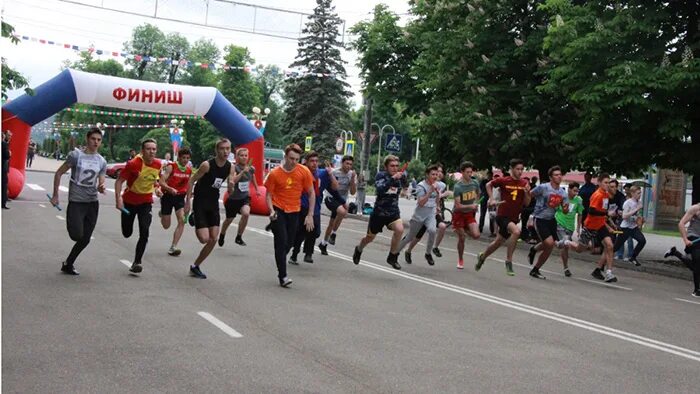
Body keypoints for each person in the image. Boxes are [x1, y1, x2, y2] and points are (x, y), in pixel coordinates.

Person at [50, 128, 107, 275]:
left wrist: (101, 187)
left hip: (92, 202)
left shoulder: (101, 161)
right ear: (87, 139)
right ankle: (72, 222)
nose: (96, 142)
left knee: (85, 239)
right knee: (76, 235)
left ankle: (68, 263)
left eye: (99, 140)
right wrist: (55, 195)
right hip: (76, 200)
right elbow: (59, 173)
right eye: (93, 139)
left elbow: (101, 180)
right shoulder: (76, 156)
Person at [264, 144, 314, 287]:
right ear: (285, 157)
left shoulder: (303, 172)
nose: (293, 162)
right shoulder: (275, 174)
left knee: (289, 243)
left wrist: (310, 214)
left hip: (294, 211)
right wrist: (271, 211)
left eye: (297, 159)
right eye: (291, 158)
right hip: (278, 210)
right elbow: (268, 195)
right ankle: (283, 276)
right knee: (281, 242)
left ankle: (280, 258)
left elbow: (311, 193)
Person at [184, 139, 234, 279]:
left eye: (228, 149)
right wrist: (188, 201)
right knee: (204, 239)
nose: (225, 152)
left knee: (213, 239)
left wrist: (231, 186)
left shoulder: (230, 166)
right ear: (216, 150)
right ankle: (195, 218)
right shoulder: (207, 165)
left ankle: (195, 266)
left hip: (213, 204)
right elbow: (191, 180)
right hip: (200, 202)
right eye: (222, 149)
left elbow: (231, 182)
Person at [475, 158, 530, 276]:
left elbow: (527, 203)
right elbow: (488, 185)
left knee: (498, 242)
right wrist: (491, 198)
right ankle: (509, 261)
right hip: (502, 216)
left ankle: (482, 256)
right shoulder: (504, 180)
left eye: (522, 169)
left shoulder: (524, 184)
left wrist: (526, 193)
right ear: (511, 169)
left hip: (514, 217)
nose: (520, 172)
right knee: (516, 232)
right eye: (517, 169)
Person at [115, 139, 163, 274]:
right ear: (142, 151)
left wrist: (157, 189)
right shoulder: (133, 164)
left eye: (154, 149)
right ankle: (126, 225)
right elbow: (119, 181)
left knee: (145, 231)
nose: (152, 151)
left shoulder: (158, 164)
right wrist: (118, 198)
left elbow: (155, 180)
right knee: (127, 233)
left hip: (146, 202)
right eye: (148, 149)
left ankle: (137, 262)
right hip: (129, 202)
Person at [353, 155, 408, 269]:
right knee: (369, 238)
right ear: (386, 167)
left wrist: (403, 181)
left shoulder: (400, 176)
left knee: (400, 229)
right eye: (392, 166)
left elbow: (405, 187)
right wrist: (392, 179)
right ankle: (359, 249)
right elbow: (380, 189)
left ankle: (392, 256)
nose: (395, 168)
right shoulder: (381, 176)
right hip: (379, 213)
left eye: (397, 166)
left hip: (393, 212)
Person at [289, 152, 340, 264]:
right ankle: (298, 254)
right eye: (312, 161)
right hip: (302, 206)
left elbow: (336, 187)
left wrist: (331, 173)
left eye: (316, 161)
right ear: (306, 162)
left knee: (315, 232)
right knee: (301, 232)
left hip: (315, 208)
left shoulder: (322, 174)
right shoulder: (300, 172)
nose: (314, 163)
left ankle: (306, 251)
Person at [526, 166, 569, 279]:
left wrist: (565, 208)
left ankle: (534, 257)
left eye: (560, 174)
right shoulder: (543, 187)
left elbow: (565, 211)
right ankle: (535, 267)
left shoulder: (562, 193)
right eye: (556, 175)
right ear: (550, 177)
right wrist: (528, 210)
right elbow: (530, 194)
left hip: (551, 220)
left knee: (548, 245)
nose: (559, 177)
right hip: (540, 219)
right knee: (549, 244)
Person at [397, 165, 442, 266]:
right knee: (410, 237)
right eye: (432, 174)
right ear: (427, 175)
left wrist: (438, 206)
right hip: (420, 214)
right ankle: (396, 252)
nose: (435, 176)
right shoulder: (421, 186)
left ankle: (428, 253)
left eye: (436, 174)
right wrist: (430, 191)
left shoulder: (437, 185)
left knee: (432, 230)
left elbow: (437, 197)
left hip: (431, 213)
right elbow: (421, 203)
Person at [578, 173, 618, 282]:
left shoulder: (605, 195)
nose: (607, 185)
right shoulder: (598, 195)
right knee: (579, 249)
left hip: (600, 225)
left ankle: (608, 273)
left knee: (609, 246)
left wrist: (608, 223)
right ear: (599, 183)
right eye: (605, 182)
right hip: (590, 226)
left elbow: (603, 213)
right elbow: (591, 211)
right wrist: (607, 214)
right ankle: (566, 243)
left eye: (608, 183)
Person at [219, 147, 261, 247]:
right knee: (229, 220)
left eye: (246, 155)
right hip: (233, 199)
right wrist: (242, 172)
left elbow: (253, 176)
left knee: (246, 214)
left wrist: (257, 189)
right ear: (237, 157)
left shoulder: (251, 168)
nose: (244, 157)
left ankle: (239, 237)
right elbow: (233, 180)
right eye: (241, 155)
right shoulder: (234, 168)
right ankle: (222, 234)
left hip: (244, 197)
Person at [158, 147, 193, 257]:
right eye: (183, 158)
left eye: (187, 158)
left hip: (179, 198)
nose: (185, 160)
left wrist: (188, 201)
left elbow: (188, 186)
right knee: (166, 225)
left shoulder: (189, 170)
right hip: (168, 196)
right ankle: (162, 214)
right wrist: (169, 189)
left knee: (182, 221)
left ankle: (173, 247)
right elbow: (162, 182)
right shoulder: (171, 167)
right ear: (179, 157)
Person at [319, 155, 356, 252]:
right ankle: (334, 234)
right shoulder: (335, 172)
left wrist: (352, 179)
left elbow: (352, 192)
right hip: (331, 198)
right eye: (347, 163)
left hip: (341, 201)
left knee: (331, 223)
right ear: (342, 163)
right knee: (342, 212)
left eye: (351, 164)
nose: (349, 166)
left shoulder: (351, 174)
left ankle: (323, 244)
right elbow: (331, 188)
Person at [664, 203, 700, 297]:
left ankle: (675, 253)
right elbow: (681, 223)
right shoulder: (695, 209)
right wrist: (685, 239)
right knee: (697, 261)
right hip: (693, 237)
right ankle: (697, 290)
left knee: (696, 267)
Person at [451, 161, 481, 269]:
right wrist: (471, 206)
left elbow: (478, 193)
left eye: (471, 172)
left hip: (469, 214)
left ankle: (462, 228)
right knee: (462, 237)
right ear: (462, 172)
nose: (470, 174)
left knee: (476, 235)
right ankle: (460, 259)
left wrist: (476, 202)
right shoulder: (458, 187)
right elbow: (458, 206)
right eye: (467, 172)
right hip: (458, 214)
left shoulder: (475, 183)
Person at [553, 182, 583, 277]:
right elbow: (555, 209)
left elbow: (580, 214)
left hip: (570, 226)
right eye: (574, 191)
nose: (575, 193)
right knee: (565, 243)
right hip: (560, 223)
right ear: (569, 189)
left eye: (577, 191)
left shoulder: (578, 200)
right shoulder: (562, 197)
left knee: (564, 246)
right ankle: (566, 268)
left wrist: (578, 228)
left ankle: (557, 244)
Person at [612, 186, 646, 266]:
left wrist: (641, 219)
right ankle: (606, 257)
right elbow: (624, 216)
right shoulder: (628, 203)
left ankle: (633, 257)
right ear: (632, 193)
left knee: (642, 241)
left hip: (633, 227)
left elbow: (638, 215)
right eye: (638, 193)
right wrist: (636, 209)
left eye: (640, 193)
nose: (640, 195)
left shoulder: (639, 202)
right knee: (616, 247)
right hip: (625, 228)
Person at [479, 170, 495, 236]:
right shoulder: (484, 181)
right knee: (482, 214)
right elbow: (481, 189)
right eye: (488, 175)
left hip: (490, 199)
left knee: (491, 215)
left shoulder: (493, 182)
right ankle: (480, 228)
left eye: (490, 175)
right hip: (484, 199)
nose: (489, 176)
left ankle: (492, 230)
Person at [2, 130, 11, 209]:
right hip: (3, 167)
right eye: (8, 135)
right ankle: (3, 202)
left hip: (5, 167)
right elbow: (7, 155)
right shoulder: (4, 144)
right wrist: (9, 153)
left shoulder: (6, 143)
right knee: (4, 184)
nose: (10, 137)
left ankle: (5, 198)